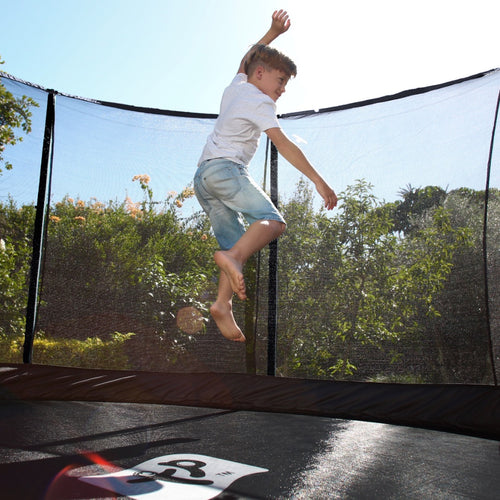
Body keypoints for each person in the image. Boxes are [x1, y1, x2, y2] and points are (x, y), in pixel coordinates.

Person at [194, 9, 337, 342]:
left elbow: (246, 60)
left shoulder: (236, 87)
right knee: (273, 222)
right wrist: (318, 180)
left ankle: (221, 305)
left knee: (235, 243)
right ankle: (232, 259)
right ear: (261, 74)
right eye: (281, 81)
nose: (283, 89)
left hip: (203, 179)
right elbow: (284, 145)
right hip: (226, 171)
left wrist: (271, 33)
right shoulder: (260, 101)